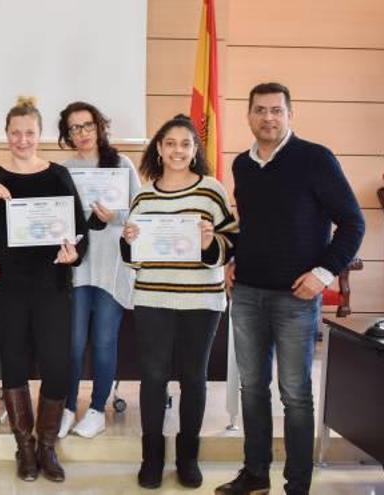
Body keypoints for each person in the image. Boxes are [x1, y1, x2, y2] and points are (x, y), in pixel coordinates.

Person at [216, 83, 364, 495]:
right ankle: (255, 475)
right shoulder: (243, 166)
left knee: (295, 394)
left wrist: (324, 272)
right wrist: (233, 259)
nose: (268, 118)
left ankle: (297, 485)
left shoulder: (315, 159)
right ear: (248, 115)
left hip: (296, 299)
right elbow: (254, 225)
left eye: (277, 111)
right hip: (246, 294)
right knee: (251, 389)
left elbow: (353, 223)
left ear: (290, 115)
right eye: (260, 110)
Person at [120, 114, 238, 489]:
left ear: (195, 150)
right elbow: (132, 257)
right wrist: (128, 239)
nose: (177, 150)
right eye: (170, 143)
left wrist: (208, 243)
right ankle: (151, 459)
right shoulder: (143, 193)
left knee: (193, 377)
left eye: (185, 144)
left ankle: (188, 457)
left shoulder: (211, 190)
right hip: (153, 297)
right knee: (153, 377)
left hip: (201, 299)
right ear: (159, 147)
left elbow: (230, 246)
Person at [0, 96, 87, 484]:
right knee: (14, 363)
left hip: (52, 287)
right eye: (15, 133)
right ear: (6, 135)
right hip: (9, 291)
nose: (22, 140)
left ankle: (47, 447)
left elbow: (80, 231)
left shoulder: (57, 175)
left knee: (58, 365)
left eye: (30, 133)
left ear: (40, 135)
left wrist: (73, 254)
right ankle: (24, 447)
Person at [55, 101, 141, 439]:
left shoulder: (121, 164)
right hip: (77, 270)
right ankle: (66, 407)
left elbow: (138, 214)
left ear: (99, 127)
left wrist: (114, 218)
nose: (82, 133)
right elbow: (57, 219)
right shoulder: (63, 169)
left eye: (87, 125)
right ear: (67, 134)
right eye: (74, 128)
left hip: (112, 269)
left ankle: (96, 409)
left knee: (105, 342)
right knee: (72, 344)